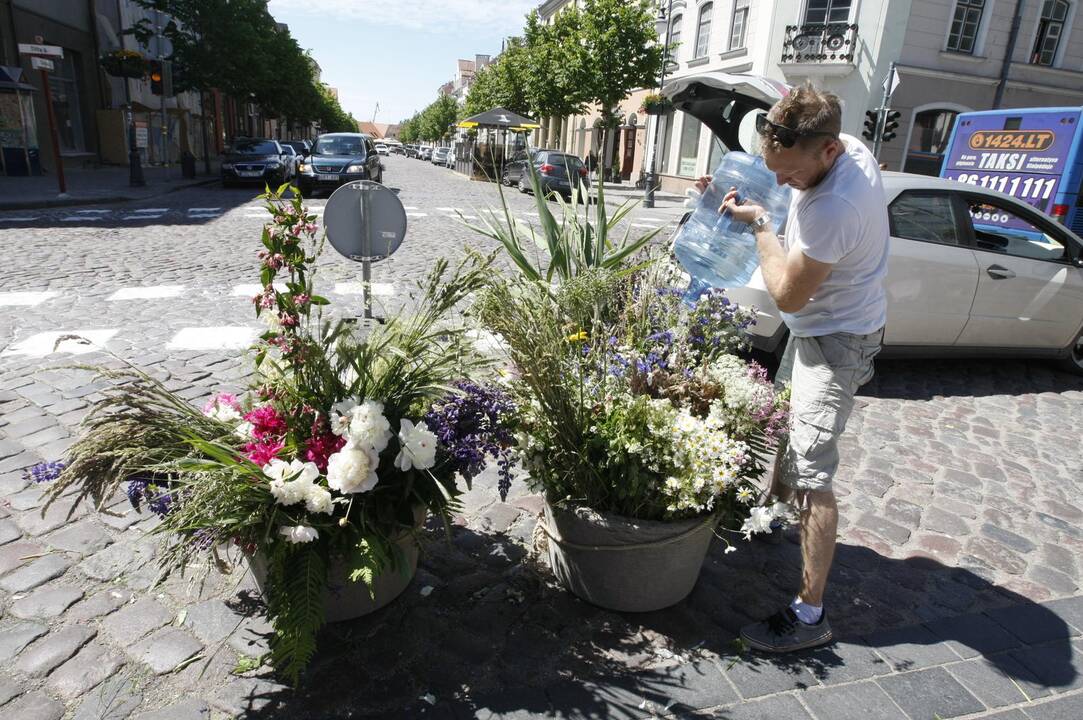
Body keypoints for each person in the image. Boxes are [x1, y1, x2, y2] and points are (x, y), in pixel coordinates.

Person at [696, 83, 889, 652]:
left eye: (790, 172)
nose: (782, 182)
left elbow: (785, 292)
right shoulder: (842, 146)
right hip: (815, 330)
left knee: (811, 471)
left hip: (836, 340)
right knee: (781, 422)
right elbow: (785, 189)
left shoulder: (837, 207)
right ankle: (770, 515)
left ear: (827, 153)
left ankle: (810, 615)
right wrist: (732, 198)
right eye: (773, 168)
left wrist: (759, 226)